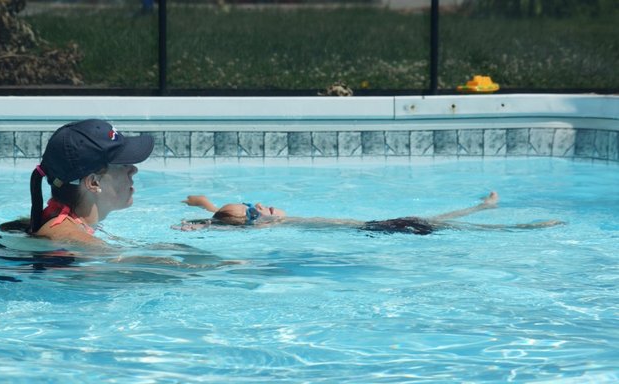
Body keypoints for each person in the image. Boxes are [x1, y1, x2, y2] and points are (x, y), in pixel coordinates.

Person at [0, 119, 154, 246]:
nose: (134, 170)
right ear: (94, 183)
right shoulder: (73, 238)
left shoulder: (69, 224)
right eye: (124, 164)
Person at [174, 192, 565, 234]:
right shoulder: (282, 224)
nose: (263, 205)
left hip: (375, 228)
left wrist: (201, 208)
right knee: (446, 223)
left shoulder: (251, 222)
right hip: (377, 229)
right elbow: (228, 222)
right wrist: (206, 219)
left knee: (443, 220)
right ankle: (520, 227)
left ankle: (484, 208)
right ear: (259, 223)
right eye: (257, 210)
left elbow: (221, 218)